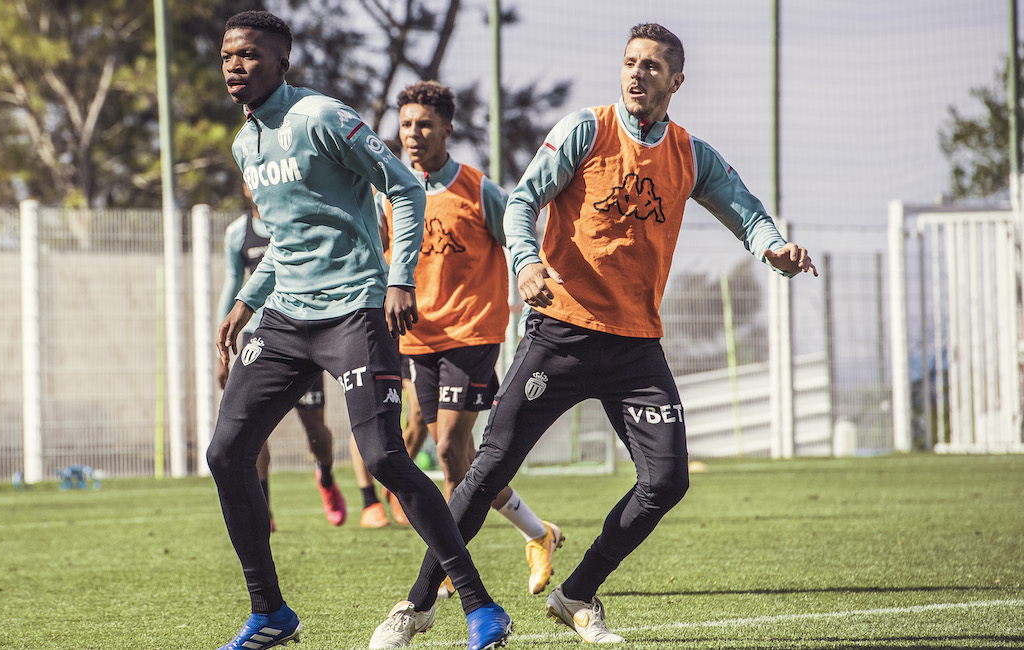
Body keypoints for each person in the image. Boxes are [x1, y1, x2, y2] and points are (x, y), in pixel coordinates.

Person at [370, 23, 817, 645]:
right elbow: (523, 202)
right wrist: (527, 264)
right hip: (561, 332)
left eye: (652, 66)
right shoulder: (587, 129)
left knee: (667, 481)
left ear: (676, 81)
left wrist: (774, 248)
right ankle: (417, 605)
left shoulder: (691, 154)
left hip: (635, 346)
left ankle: (577, 593)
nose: (637, 73)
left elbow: (746, 211)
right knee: (486, 466)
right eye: (631, 62)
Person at [209, 11, 511, 650]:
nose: (235, 65)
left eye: (250, 55)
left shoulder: (322, 117)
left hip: (354, 311)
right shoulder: (244, 143)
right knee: (225, 453)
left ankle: (480, 605)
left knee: (383, 457)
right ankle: (269, 613)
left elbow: (404, 189)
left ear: (282, 63)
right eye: (228, 55)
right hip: (286, 317)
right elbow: (286, 241)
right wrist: (244, 301)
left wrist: (400, 278)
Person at [372, 81, 562, 611]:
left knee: (450, 448)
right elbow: (379, 256)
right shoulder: (390, 195)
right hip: (418, 340)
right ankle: (538, 532)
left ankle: (449, 569)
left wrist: (536, 275)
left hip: (472, 334)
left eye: (424, 124)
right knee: (461, 462)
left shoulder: (478, 190)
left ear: (447, 129)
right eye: (406, 125)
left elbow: (519, 238)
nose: (413, 134)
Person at [218, 183, 381, 530]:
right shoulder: (237, 234)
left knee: (314, 428)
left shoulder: (294, 219)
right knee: (251, 428)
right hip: (256, 332)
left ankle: (325, 475)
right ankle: (264, 509)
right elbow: (232, 284)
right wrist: (220, 346)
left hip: (301, 327)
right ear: (245, 186)